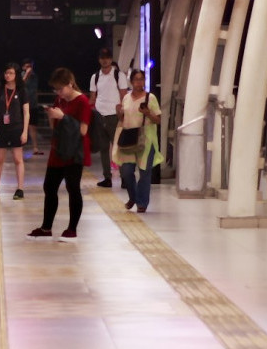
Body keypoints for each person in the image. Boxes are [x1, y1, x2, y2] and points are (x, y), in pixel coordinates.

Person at [27, 67, 91, 242]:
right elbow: (54, 125)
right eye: (56, 89)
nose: (58, 92)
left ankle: (72, 229)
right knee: (49, 186)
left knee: (73, 188)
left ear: (70, 84)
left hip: (74, 150)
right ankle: (46, 228)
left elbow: (83, 131)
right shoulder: (59, 99)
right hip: (59, 148)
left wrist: (63, 117)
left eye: (60, 88)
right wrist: (52, 115)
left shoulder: (82, 101)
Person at [114, 69, 164, 213]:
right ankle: (133, 197)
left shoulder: (151, 98)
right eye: (136, 79)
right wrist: (119, 114)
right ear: (131, 81)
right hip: (129, 139)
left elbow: (158, 120)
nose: (139, 82)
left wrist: (148, 113)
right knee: (127, 171)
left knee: (145, 172)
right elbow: (123, 119)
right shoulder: (126, 98)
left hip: (146, 140)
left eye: (141, 79)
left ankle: (142, 203)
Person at [0, 62, 30, 200]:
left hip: (16, 128)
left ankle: (20, 189)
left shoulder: (22, 90)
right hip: (1, 128)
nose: (8, 75)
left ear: (16, 75)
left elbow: (26, 112)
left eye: (11, 73)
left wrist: (24, 132)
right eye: (6, 73)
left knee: (18, 159)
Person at [88, 47, 124, 188]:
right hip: (99, 116)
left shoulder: (118, 75)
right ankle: (107, 178)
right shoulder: (95, 76)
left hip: (114, 116)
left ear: (111, 59)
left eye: (107, 57)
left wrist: (122, 113)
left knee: (118, 147)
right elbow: (92, 98)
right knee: (103, 148)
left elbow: (123, 95)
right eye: (102, 58)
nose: (105, 60)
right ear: (99, 59)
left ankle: (124, 177)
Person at [21, 58, 42, 155]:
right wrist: (26, 74)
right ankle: (19, 146)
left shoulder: (35, 76)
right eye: (27, 66)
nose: (29, 68)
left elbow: (35, 90)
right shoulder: (21, 75)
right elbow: (20, 85)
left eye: (30, 66)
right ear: (23, 67)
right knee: (21, 126)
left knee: (33, 126)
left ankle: (35, 147)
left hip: (33, 104)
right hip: (22, 104)